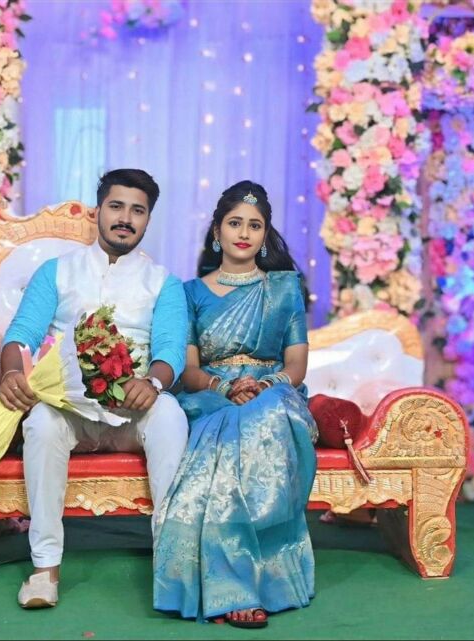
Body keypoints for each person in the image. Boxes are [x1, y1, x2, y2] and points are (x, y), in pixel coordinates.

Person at [0, 168, 189, 609]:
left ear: (148, 219)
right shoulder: (57, 272)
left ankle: (174, 566)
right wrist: (10, 373)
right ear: (98, 211)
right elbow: (21, 334)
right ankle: (44, 569)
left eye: (137, 211)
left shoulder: (163, 282)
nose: (125, 218)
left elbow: (171, 350)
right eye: (116, 206)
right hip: (71, 409)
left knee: (170, 415)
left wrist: (153, 382)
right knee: (42, 421)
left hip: (132, 412)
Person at [153, 180, 318, 628]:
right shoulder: (190, 292)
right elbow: (188, 370)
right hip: (213, 397)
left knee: (267, 413)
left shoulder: (284, 289)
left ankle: (258, 578)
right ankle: (230, 587)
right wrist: (224, 388)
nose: (244, 233)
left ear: (265, 235)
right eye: (234, 223)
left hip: (275, 393)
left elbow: (297, 365)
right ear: (217, 231)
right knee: (222, 438)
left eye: (255, 225)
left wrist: (264, 385)